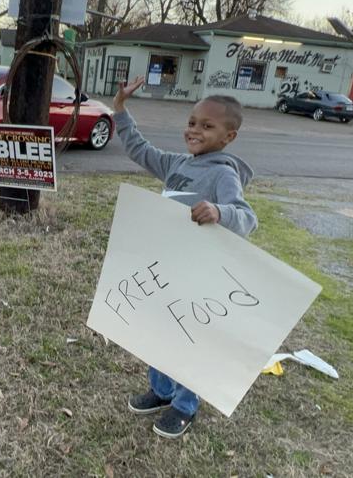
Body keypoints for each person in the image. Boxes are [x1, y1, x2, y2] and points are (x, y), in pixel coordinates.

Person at [112, 75, 258, 439]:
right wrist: (120, 109)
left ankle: (184, 404)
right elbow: (139, 150)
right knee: (158, 333)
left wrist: (219, 212)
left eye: (207, 126)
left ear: (229, 137)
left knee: (185, 340)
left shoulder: (223, 174)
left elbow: (247, 217)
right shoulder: (178, 164)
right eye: (192, 123)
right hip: (166, 267)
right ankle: (161, 391)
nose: (195, 130)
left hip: (197, 275)